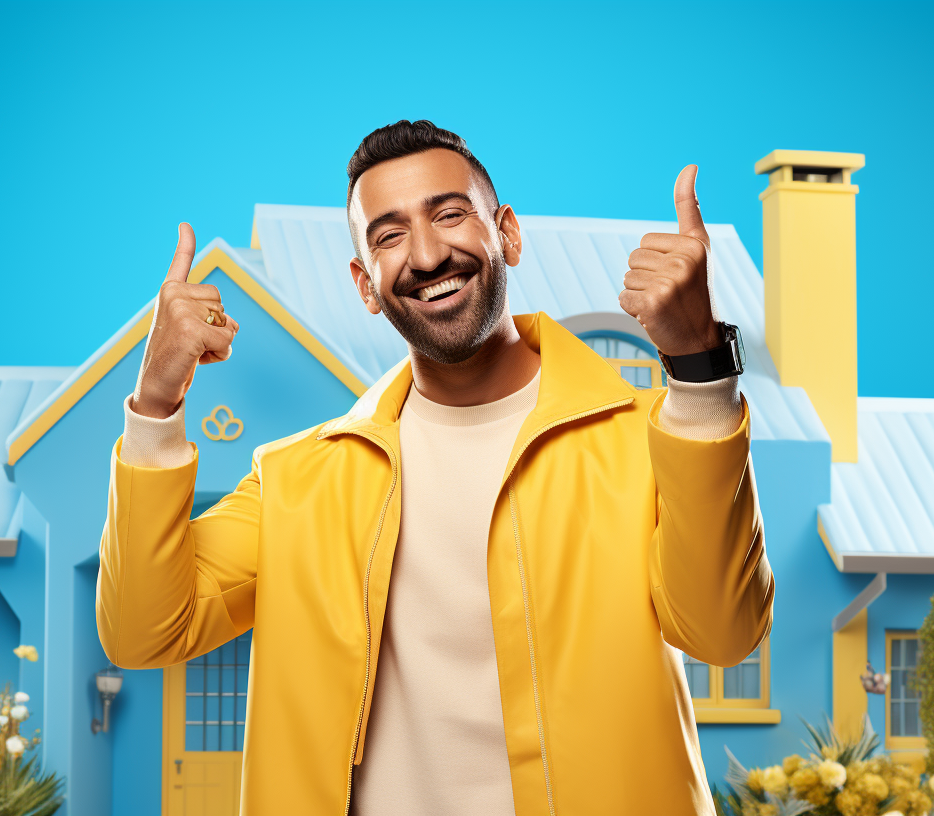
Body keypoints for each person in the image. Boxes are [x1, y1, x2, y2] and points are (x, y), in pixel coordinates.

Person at [97, 120, 774, 816]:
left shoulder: (647, 439)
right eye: (388, 236)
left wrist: (698, 368)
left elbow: (724, 633)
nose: (425, 255)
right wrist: (154, 401)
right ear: (366, 284)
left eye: (450, 215)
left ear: (507, 233)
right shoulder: (298, 481)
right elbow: (144, 630)